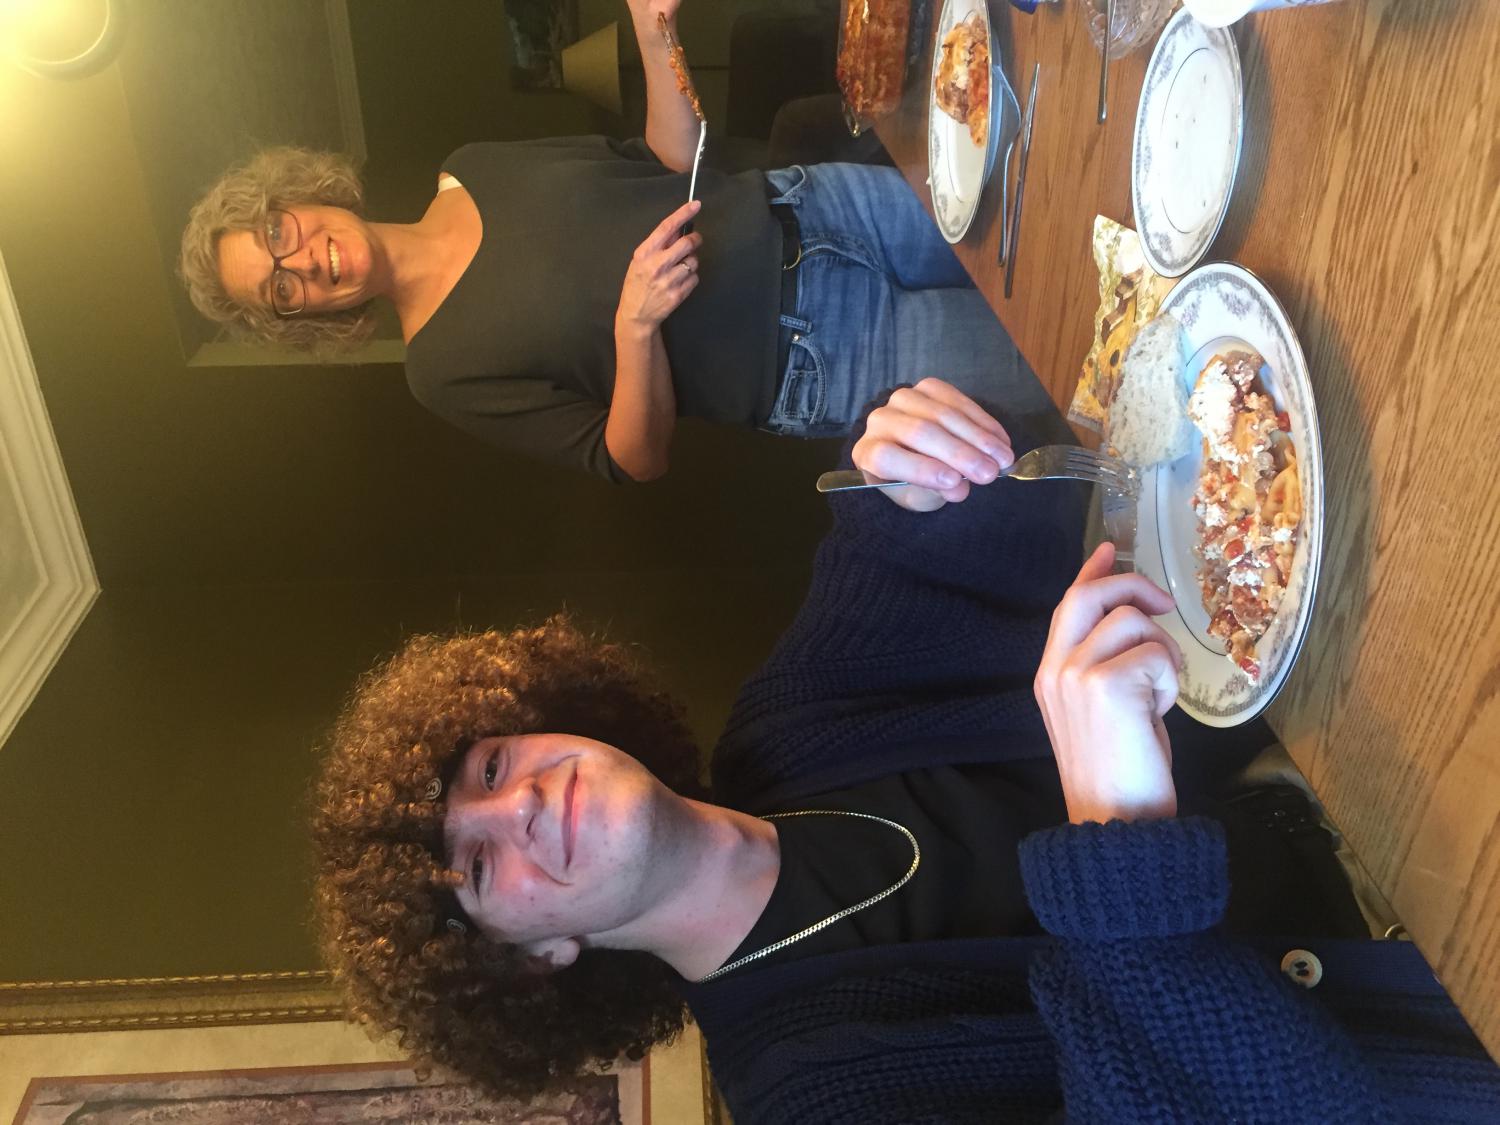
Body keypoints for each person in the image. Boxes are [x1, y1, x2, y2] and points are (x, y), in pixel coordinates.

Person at [311, 381, 1500, 1122]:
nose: (516, 807)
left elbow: (916, 550)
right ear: (538, 961)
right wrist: (1118, 850)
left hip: (1374, 783)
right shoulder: (812, 1094)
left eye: (487, 768)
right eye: (478, 868)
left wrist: (907, 467)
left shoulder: (784, 734)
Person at [177, 0, 1029, 483]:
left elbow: (665, 162)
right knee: (1055, 352)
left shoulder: (467, 168)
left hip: (821, 205)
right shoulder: (438, 369)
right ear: (302, 317)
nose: (302, 261)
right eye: (280, 288)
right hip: (819, 356)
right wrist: (634, 328)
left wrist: (654, 34)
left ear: (299, 195)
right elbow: (632, 460)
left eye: (277, 232)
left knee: (1033, 208)